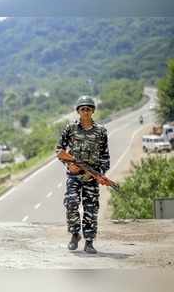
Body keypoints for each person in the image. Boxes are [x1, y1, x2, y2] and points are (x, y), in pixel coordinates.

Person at [56, 96, 110, 254]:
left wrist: (100, 174)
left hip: (91, 177)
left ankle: (89, 241)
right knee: (71, 202)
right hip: (74, 175)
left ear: (93, 111)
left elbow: (105, 156)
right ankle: (74, 235)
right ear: (78, 111)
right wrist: (69, 164)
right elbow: (60, 150)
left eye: (88, 109)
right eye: (82, 109)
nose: (85, 112)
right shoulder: (70, 128)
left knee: (91, 209)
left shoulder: (100, 131)